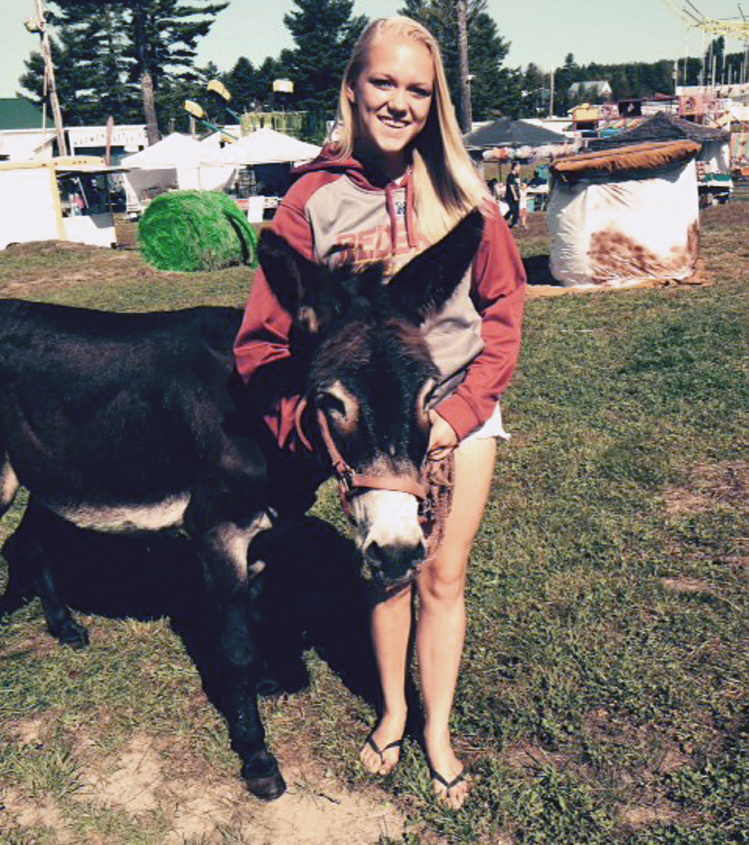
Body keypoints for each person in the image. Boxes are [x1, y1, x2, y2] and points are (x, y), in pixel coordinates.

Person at [233, 15, 525, 811]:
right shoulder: (311, 199)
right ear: (353, 86)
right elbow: (261, 346)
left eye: (418, 90)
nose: (399, 102)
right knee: (387, 567)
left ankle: (436, 729)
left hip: (453, 409)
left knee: (444, 573)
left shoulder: (466, 198)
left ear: (435, 105)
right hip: (364, 428)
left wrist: (459, 415)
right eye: (384, 82)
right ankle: (392, 710)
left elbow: (502, 313)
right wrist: (319, 429)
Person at [504, 161, 521, 228]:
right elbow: (511, 186)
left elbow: (518, 184)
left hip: (517, 194)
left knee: (517, 209)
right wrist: (514, 195)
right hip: (510, 195)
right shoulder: (510, 176)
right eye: (518, 166)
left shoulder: (517, 175)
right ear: (515, 167)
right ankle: (504, 219)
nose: (519, 168)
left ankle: (514, 223)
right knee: (512, 209)